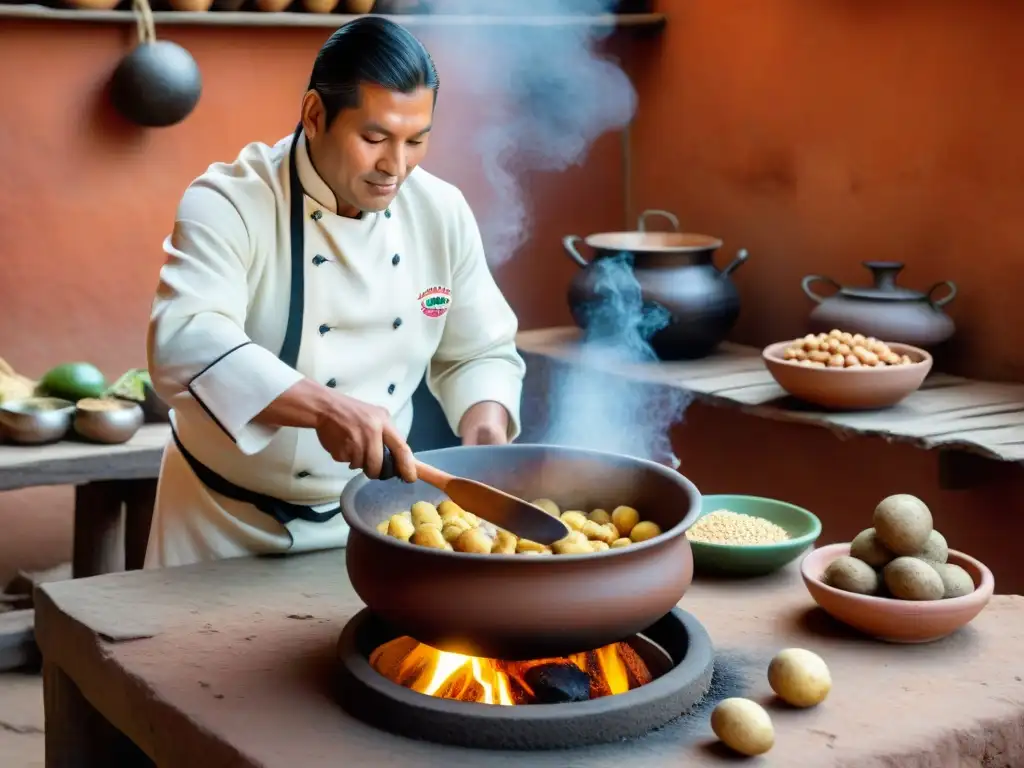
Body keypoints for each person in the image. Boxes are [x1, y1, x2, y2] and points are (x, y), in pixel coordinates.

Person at [144, 17, 526, 568]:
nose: (395, 167)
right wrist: (325, 408)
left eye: (416, 140)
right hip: (218, 525)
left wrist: (485, 428)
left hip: (371, 523)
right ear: (315, 115)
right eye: (374, 138)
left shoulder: (440, 211)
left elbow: (479, 349)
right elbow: (184, 343)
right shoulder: (228, 203)